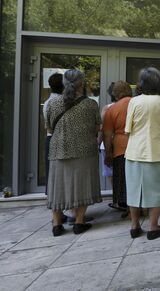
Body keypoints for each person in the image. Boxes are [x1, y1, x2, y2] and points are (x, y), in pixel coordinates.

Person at [46, 69, 102, 237]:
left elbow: (48, 127)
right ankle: (79, 222)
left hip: (58, 150)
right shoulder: (90, 104)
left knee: (58, 186)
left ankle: (56, 225)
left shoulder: (53, 103)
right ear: (81, 83)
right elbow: (97, 127)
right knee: (83, 185)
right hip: (84, 150)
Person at [124, 67, 160, 240]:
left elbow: (127, 130)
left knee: (134, 190)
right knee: (156, 190)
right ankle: (153, 226)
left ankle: (134, 225)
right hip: (157, 152)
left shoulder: (133, 102)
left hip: (133, 152)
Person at [103, 81, 132, 214]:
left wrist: (108, 154)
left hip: (120, 147)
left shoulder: (112, 109)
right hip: (137, 145)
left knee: (121, 178)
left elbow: (107, 135)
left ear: (115, 93)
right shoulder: (137, 103)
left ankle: (124, 205)